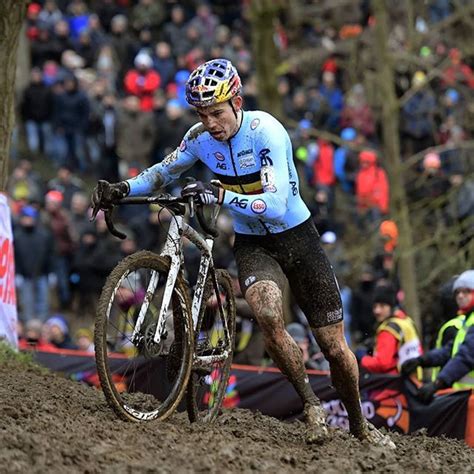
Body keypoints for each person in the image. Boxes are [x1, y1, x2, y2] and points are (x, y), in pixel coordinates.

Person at [91, 58, 393, 447]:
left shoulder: (265, 131)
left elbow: (278, 205)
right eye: (202, 113)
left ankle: (358, 425)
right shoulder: (199, 137)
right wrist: (122, 188)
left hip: (298, 238)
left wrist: (222, 194)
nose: (210, 122)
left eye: (216, 112)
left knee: (334, 347)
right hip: (253, 244)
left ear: (237, 101)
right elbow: (162, 172)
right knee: (266, 311)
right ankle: (312, 406)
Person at [402, 270, 474, 402]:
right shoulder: (467, 321)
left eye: (466, 291)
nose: (460, 296)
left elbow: (466, 357)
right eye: (457, 292)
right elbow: (450, 350)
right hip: (465, 397)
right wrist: (421, 361)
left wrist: (437, 384)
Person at [359, 285, 422, 376]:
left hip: (393, 384)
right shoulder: (406, 321)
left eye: (382, 306)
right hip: (414, 378)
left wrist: (363, 358)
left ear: (391, 307)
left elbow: (382, 364)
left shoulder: (388, 330)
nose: (377, 311)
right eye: (375, 306)